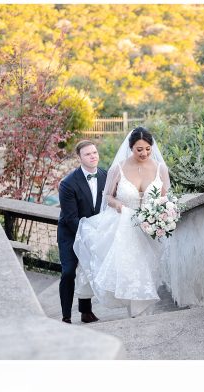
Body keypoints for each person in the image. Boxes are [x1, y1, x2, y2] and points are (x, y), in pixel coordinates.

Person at [73, 127, 170, 317]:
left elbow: (165, 197)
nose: (144, 153)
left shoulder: (161, 168)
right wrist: (118, 205)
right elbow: (107, 195)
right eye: (139, 149)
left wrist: (161, 214)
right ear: (131, 147)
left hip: (150, 228)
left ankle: (143, 312)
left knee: (148, 270)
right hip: (124, 225)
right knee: (133, 270)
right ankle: (137, 314)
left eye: (148, 149)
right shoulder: (118, 169)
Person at [56, 141, 103, 324]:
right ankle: (66, 316)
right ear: (79, 158)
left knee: (88, 269)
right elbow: (70, 217)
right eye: (87, 154)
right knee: (68, 272)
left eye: (94, 152)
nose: (93, 156)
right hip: (70, 232)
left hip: (93, 232)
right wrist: (88, 235)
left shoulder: (105, 176)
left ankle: (86, 312)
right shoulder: (67, 183)